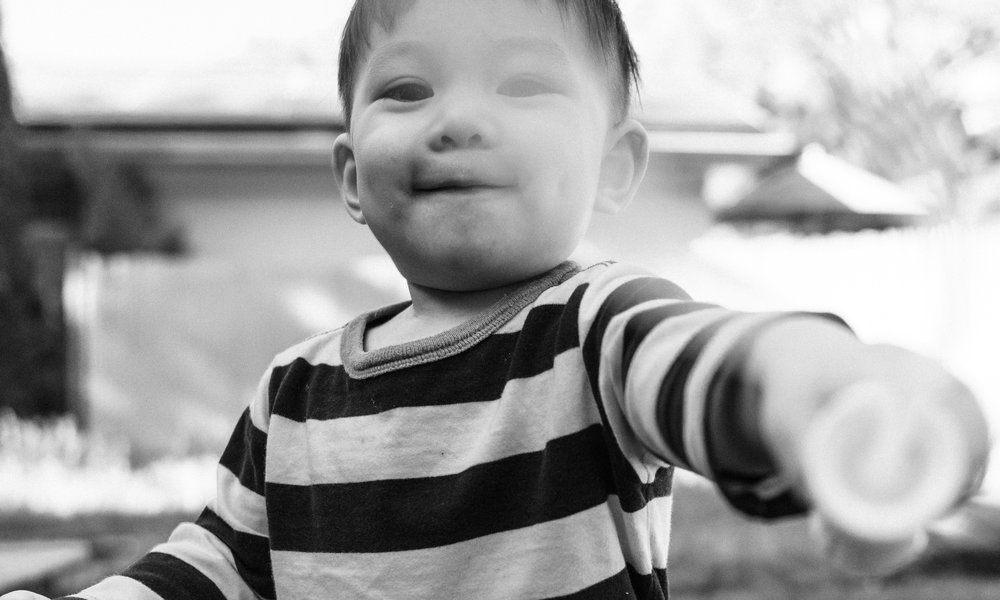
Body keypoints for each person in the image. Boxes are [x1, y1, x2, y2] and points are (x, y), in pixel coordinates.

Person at [5, 0, 990, 598]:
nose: (460, 119)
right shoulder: (294, 390)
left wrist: (822, 398)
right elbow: (220, 566)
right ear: (351, 177)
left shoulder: (595, 327)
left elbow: (713, 368)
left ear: (613, 166)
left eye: (523, 84)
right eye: (407, 90)